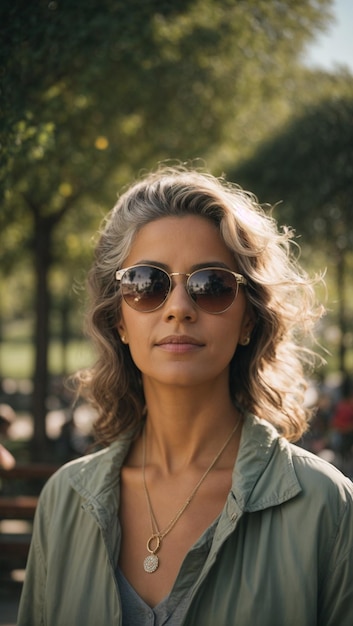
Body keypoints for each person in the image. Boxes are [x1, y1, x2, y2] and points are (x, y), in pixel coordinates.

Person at [18, 165, 353, 626]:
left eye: (211, 285)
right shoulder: (64, 502)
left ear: (249, 320)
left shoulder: (327, 508)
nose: (178, 308)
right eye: (147, 283)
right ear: (119, 319)